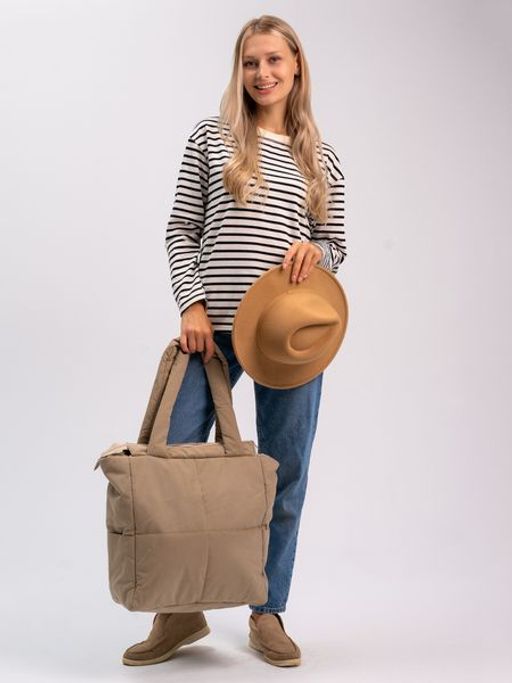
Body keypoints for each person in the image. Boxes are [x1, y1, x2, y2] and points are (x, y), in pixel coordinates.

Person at [122, 14, 346, 669]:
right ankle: (178, 610)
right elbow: (180, 228)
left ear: (296, 65)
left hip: (287, 338)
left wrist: (317, 251)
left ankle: (267, 610)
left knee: (285, 469)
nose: (262, 73)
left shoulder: (321, 158)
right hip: (210, 334)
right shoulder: (211, 137)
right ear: (239, 69)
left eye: (274, 60)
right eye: (251, 62)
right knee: (175, 466)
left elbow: (336, 244)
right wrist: (191, 303)